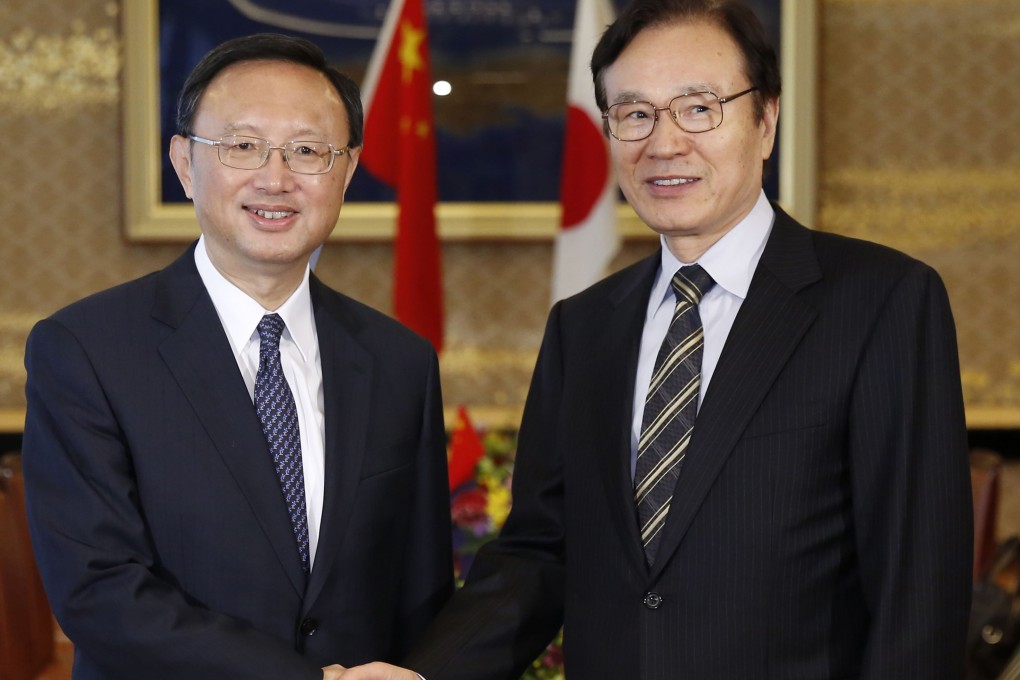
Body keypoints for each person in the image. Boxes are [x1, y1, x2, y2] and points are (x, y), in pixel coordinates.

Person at [340, 0, 973, 678]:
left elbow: (918, 583)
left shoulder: (882, 301)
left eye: (699, 108)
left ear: (766, 120)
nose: (664, 143)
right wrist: (424, 673)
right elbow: (540, 553)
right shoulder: (583, 328)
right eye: (635, 114)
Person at [21, 33, 452, 679]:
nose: (275, 178)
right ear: (186, 163)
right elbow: (98, 590)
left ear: (346, 171)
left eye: (308, 150)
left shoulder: (400, 361)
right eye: (242, 146)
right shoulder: (87, 350)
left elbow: (419, 592)